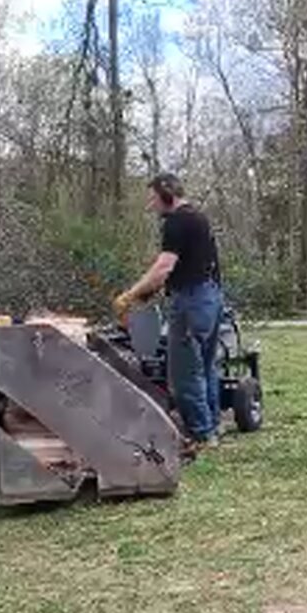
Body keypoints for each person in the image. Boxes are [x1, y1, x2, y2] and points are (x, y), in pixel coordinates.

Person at [114, 173, 223, 450]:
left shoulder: (176, 222)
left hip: (189, 301)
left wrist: (131, 294)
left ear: (167, 193)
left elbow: (163, 268)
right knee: (205, 366)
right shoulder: (198, 218)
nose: (151, 205)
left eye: (153, 198)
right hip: (210, 297)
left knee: (185, 372)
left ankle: (200, 434)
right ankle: (212, 426)